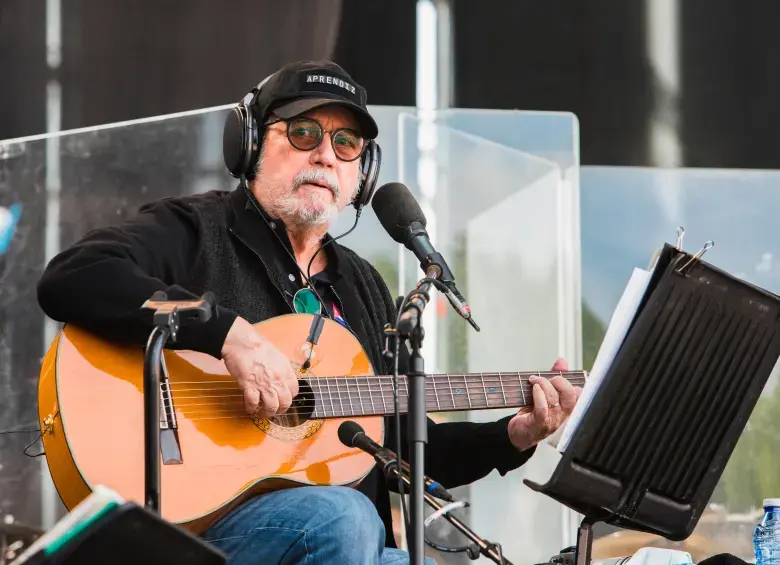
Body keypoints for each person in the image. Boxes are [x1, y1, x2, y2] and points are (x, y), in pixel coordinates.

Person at [36, 60, 582, 565]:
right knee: (342, 516)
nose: (326, 154)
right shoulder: (195, 233)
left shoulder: (361, 286)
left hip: (343, 545)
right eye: (303, 133)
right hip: (193, 535)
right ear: (250, 144)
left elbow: (408, 439)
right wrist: (229, 336)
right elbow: (74, 275)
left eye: (347, 144)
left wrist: (514, 434)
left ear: (361, 175)